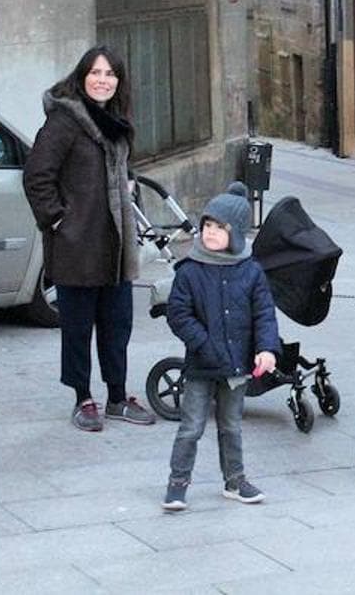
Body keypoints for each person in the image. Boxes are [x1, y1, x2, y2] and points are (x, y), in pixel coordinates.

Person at [23, 46, 156, 432]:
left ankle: (117, 397)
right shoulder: (65, 122)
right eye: (96, 73)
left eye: (111, 74)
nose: (103, 80)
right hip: (77, 244)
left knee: (117, 324)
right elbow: (36, 177)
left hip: (116, 244)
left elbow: (118, 167)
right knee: (78, 328)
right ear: (82, 77)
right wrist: (60, 220)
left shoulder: (115, 121)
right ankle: (83, 398)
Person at [161, 184, 280, 511]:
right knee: (191, 427)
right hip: (202, 366)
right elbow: (179, 314)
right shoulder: (190, 270)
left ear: (237, 233)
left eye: (220, 227)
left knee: (231, 425)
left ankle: (235, 480)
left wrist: (267, 348)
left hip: (238, 365)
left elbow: (264, 314)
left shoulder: (251, 271)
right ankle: (177, 482)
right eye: (207, 226)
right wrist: (204, 344)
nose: (211, 233)